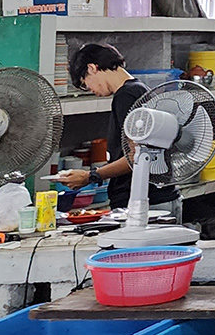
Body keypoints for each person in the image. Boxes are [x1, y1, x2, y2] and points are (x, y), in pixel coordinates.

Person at [57, 43, 175, 211]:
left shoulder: (126, 96)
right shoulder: (139, 90)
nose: (90, 89)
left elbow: (138, 157)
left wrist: (90, 176)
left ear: (92, 68)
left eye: (85, 83)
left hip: (144, 202)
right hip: (157, 198)